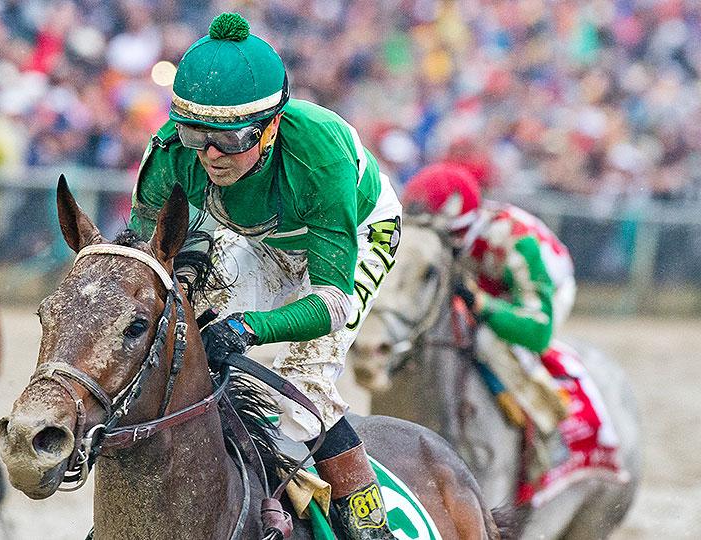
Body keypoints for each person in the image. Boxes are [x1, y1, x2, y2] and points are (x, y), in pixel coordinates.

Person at [128, 13, 401, 539]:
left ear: (271, 127)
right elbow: (143, 259)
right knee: (183, 342)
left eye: (228, 141)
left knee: (300, 385)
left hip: (358, 238)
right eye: (193, 133)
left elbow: (329, 304)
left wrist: (251, 328)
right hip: (258, 240)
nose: (208, 155)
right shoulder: (169, 152)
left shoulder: (321, 157)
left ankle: (369, 526)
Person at [400, 162, 576, 439]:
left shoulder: (517, 241)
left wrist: (482, 304)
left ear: (457, 232)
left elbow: (539, 330)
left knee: (487, 341)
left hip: (541, 295)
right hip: (486, 284)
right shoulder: (459, 230)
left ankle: (548, 423)